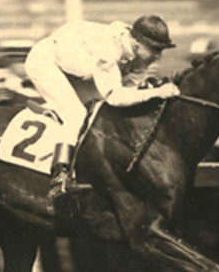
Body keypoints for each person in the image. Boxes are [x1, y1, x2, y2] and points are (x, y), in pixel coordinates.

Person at [23, 15, 180, 202]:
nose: (158, 56)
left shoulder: (139, 57)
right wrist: (156, 93)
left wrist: (150, 91)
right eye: (154, 49)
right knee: (76, 114)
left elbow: (130, 93)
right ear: (138, 42)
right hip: (45, 62)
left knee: (99, 110)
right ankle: (60, 174)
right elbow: (114, 96)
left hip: (78, 69)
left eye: (161, 50)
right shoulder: (109, 50)